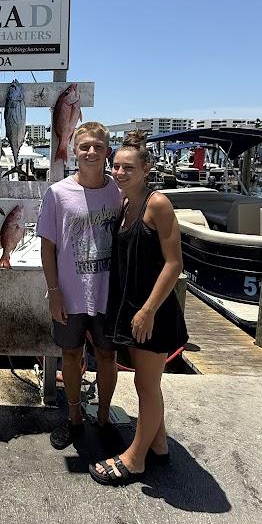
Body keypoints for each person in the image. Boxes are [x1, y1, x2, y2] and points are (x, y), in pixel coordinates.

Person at [89, 131, 187, 486]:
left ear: (146, 169)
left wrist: (147, 311)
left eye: (128, 167)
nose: (119, 172)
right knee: (148, 385)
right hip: (133, 309)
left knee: (147, 386)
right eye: (116, 166)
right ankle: (157, 445)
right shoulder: (126, 204)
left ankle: (136, 459)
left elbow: (174, 264)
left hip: (153, 312)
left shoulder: (157, 204)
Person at [37, 121, 122, 450]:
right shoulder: (58, 193)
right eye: (84, 146)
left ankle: (102, 417)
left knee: (107, 355)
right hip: (70, 295)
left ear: (106, 151)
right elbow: (48, 248)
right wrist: (54, 293)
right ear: (74, 150)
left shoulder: (119, 192)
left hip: (108, 294)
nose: (91, 152)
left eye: (98, 147)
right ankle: (73, 418)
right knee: (70, 355)